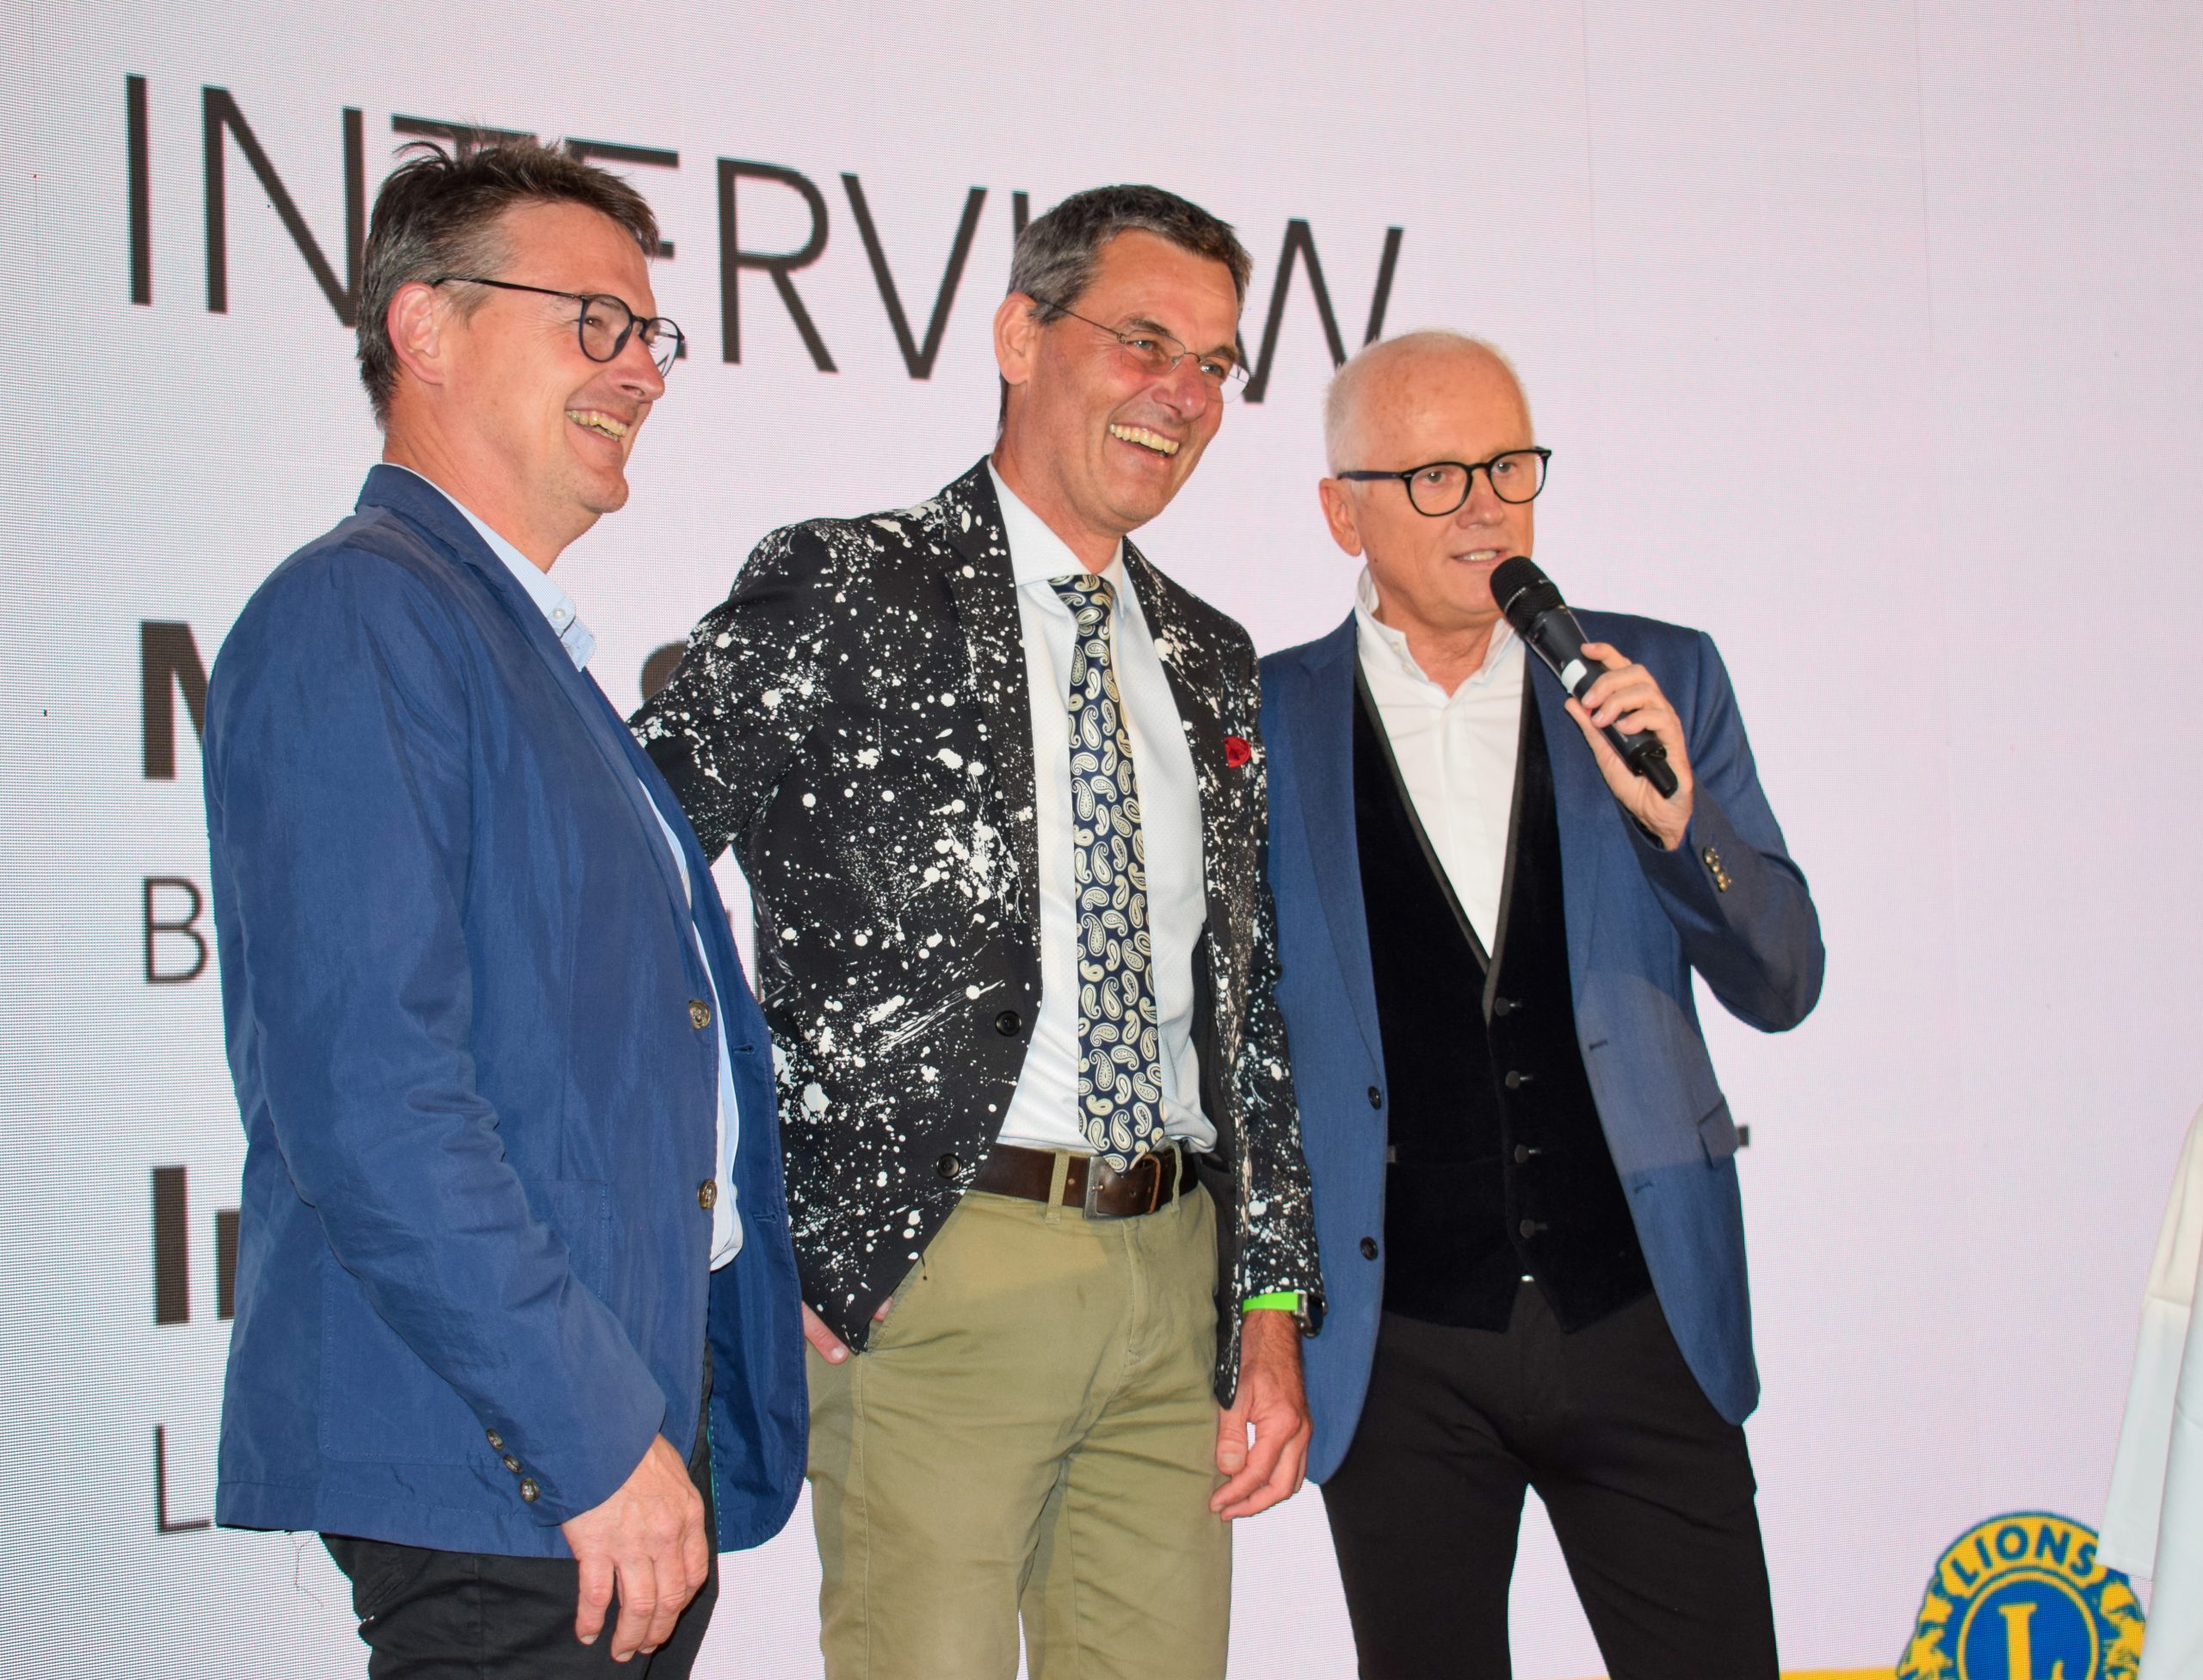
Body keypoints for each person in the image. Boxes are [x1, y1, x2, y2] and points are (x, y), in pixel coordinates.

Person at [634, 184, 1323, 1680]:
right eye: (1146, 341)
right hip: (936, 1275)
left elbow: (1248, 1011)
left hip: (1171, 1287)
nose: (1184, 393)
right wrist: (746, 1219)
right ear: (1021, 335)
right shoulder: (846, 586)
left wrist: (1268, 1305)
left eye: (1214, 363)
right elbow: (628, 884)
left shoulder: (1210, 656)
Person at [202, 140, 805, 1676]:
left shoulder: (516, 643)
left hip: (586, 1459)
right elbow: (373, 1102)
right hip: (514, 1466)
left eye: (649, 333)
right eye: (592, 321)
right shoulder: (362, 611)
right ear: (425, 327)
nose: (641, 371)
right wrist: (591, 1433)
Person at [1258, 330, 1823, 1678]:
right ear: (1342, 510)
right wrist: (1265, 1316)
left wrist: (1682, 826)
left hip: (1643, 1310)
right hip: (1398, 1348)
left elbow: (1784, 978)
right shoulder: (1259, 715)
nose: (1488, 508)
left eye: (1510, 466)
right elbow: (1239, 1055)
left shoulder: (1658, 677)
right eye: (1438, 477)